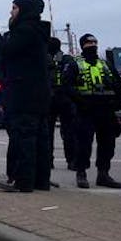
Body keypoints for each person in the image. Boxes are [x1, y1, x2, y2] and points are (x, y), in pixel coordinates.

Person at [0, 0, 52, 193]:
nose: (11, 12)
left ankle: (23, 181)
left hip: (24, 93)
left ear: (24, 10)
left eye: (14, 8)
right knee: (40, 138)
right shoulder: (38, 31)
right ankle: (40, 180)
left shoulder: (25, 30)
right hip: (38, 93)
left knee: (24, 138)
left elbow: (7, 50)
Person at [62, 34, 121, 189]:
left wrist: (118, 102)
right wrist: (80, 102)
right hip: (85, 110)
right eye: (89, 43)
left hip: (106, 109)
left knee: (108, 144)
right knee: (84, 144)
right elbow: (67, 86)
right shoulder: (76, 64)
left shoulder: (105, 64)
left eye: (95, 42)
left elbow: (118, 84)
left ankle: (103, 174)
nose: (92, 45)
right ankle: (81, 173)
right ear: (83, 45)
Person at [47, 37, 77, 170]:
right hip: (64, 99)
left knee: (49, 132)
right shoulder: (66, 59)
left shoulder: (49, 59)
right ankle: (71, 160)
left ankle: (49, 160)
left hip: (53, 98)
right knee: (68, 132)